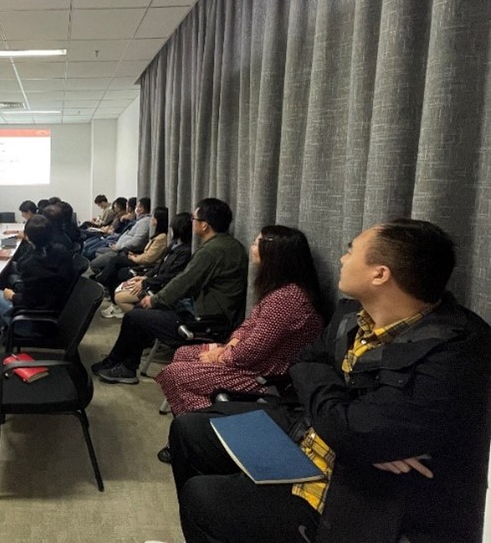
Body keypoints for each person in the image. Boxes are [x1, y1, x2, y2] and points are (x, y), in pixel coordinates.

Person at [168, 218, 491, 543]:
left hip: (356, 490)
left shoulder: (456, 348)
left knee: (203, 496)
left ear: (380, 274)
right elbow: (306, 361)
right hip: (312, 431)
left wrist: (355, 430)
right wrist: (354, 427)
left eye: (351, 251)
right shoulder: (351, 314)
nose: (341, 259)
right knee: (189, 431)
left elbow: (355, 431)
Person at [155, 225, 324, 416]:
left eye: (256, 243)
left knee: (176, 372)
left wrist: (221, 357)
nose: (252, 247)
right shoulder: (279, 291)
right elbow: (249, 324)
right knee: (183, 353)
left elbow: (252, 350)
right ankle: (196, 417)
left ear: (273, 253)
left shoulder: (288, 299)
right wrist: (230, 345)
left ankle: (205, 422)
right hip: (250, 360)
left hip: (264, 375)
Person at [92, 198, 248, 385]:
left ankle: (124, 367)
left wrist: (156, 300)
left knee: (135, 316)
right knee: (138, 314)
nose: (192, 222)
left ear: (205, 225)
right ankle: (118, 362)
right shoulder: (230, 246)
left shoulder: (212, 251)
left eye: (194, 219)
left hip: (205, 320)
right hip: (207, 311)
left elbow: (184, 282)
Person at [0, 215, 76, 376]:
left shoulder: (31, 265)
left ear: (28, 236)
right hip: (58, 310)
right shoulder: (61, 251)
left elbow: (29, 301)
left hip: (35, 322)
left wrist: (12, 296)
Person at [101, 210, 191, 318]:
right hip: (153, 279)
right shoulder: (173, 245)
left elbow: (169, 276)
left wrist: (145, 282)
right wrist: (145, 277)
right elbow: (159, 266)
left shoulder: (184, 252)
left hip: (160, 287)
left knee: (119, 297)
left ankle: (141, 317)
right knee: (118, 277)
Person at [95, 206, 170, 314]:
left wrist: (134, 257)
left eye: (153, 217)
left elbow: (148, 258)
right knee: (117, 262)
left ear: (158, 220)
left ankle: (102, 280)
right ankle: (106, 285)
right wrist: (135, 254)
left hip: (145, 265)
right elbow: (147, 254)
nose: (151, 219)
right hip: (141, 260)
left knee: (116, 262)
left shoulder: (161, 238)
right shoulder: (157, 235)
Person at [88, 196, 152, 273]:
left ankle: (106, 274)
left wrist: (119, 246)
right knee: (97, 251)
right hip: (117, 245)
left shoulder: (144, 223)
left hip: (124, 250)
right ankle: (107, 271)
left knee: (93, 261)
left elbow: (137, 241)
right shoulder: (139, 220)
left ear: (142, 209)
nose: (136, 208)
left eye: (138, 206)